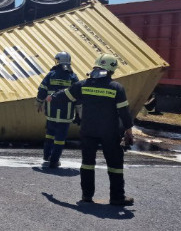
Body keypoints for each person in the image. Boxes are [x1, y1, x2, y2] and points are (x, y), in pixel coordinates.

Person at [49, 53, 135, 206]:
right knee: (115, 165)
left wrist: (51, 97)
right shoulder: (116, 88)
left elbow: (64, 95)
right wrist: (129, 132)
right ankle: (117, 198)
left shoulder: (83, 85)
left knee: (87, 163)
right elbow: (124, 113)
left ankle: (86, 196)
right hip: (110, 132)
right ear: (112, 70)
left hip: (88, 131)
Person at [36, 51, 78, 168]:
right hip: (66, 113)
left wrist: (38, 103)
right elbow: (78, 94)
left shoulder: (51, 74)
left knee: (50, 133)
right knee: (60, 137)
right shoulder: (72, 76)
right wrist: (80, 111)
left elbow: (42, 90)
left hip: (52, 111)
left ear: (58, 61)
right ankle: (54, 161)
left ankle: (47, 155)